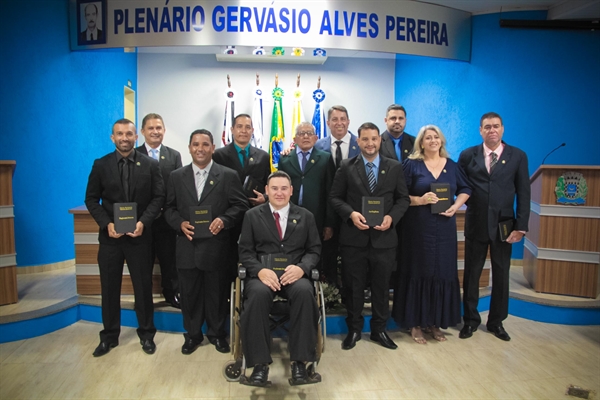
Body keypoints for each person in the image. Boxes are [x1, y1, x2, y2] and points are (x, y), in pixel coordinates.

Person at [164, 129, 249, 355]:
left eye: (205, 144)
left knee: (217, 295)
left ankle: (217, 334)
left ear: (213, 147)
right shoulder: (176, 176)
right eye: (195, 144)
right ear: (189, 148)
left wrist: (224, 219)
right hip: (187, 246)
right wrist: (179, 223)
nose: (200, 149)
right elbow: (169, 209)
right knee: (189, 295)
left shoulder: (228, 175)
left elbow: (240, 206)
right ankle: (192, 335)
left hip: (217, 248)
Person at [85, 118, 165, 357]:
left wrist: (143, 222)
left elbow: (158, 198)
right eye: (119, 134)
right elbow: (91, 200)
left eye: (129, 134)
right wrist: (106, 223)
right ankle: (109, 336)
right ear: (113, 137)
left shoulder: (150, 165)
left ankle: (147, 334)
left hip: (140, 238)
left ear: (136, 136)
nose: (124, 138)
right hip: (110, 239)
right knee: (109, 289)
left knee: (143, 288)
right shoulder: (101, 165)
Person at [330, 122, 410, 351]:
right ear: (358, 141)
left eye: (374, 139)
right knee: (354, 287)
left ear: (380, 140)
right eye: (365, 139)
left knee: (381, 287)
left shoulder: (394, 167)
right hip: (354, 239)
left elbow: (403, 199)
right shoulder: (346, 167)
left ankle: (379, 330)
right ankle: (354, 330)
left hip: (384, 240)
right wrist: (351, 214)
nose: (370, 143)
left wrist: (391, 218)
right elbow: (335, 198)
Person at [238, 171, 322, 387]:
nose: (279, 192)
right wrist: (259, 271)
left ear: (291, 191)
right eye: (274, 188)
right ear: (266, 190)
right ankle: (259, 365)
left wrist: (302, 268)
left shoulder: (306, 216)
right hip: (263, 276)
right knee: (256, 295)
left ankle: (299, 363)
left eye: (284, 188)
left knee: (305, 293)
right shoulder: (252, 216)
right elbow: (245, 252)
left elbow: (314, 250)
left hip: (293, 275)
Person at [391, 125, 471, 344]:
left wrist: (455, 206)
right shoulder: (412, 165)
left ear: (441, 141)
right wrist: (420, 200)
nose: (433, 140)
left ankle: (435, 322)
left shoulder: (452, 166)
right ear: (421, 142)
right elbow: (400, 195)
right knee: (419, 271)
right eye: (428, 137)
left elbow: (466, 188)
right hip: (418, 228)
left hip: (445, 228)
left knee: (442, 272)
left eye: (436, 137)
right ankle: (415, 324)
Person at [458, 112, 530, 341]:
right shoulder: (468, 155)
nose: (492, 130)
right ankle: (469, 321)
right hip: (476, 223)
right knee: (472, 275)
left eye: (496, 126)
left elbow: (524, 193)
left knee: (501, 274)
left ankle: (496, 322)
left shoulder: (518, 156)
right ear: (480, 130)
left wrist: (522, 226)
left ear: (502, 129)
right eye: (487, 127)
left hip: (504, 227)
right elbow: (460, 186)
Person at [213, 113, 271, 282]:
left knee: (254, 256)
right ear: (232, 129)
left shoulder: (262, 156)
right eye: (239, 127)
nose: (243, 131)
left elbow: (269, 185)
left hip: (255, 215)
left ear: (253, 130)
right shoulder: (219, 155)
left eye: (247, 127)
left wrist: (265, 197)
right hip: (228, 215)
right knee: (228, 257)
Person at [136, 113, 183, 309]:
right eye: (151, 128)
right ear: (142, 132)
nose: (155, 132)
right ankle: (144, 300)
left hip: (166, 220)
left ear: (164, 130)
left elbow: (179, 187)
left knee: (169, 261)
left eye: (159, 128)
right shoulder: (134, 154)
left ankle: (171, 294)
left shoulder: (173, 155)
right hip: (142, 221)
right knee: (142, 263)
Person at [313, 105, 360, 285]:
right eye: (335, 119)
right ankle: (331, 291)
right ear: (328, 123)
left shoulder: (361, 144)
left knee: (353, 257)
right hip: (327, 210)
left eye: (342, 119)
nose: (339, 123)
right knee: (329, 254)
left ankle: (353, 291)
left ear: (348, 121)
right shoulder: (318, 146)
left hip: (355, 210)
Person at [278, 122, 335, 244]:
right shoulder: (285, 159)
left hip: (316, 217)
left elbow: (330, 192)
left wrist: (329, 224)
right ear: (295, 139)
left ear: (316, 138)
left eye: (309, 133)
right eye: (301, 133)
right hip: (288, 217)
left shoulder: (325, 158)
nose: (305, 136)